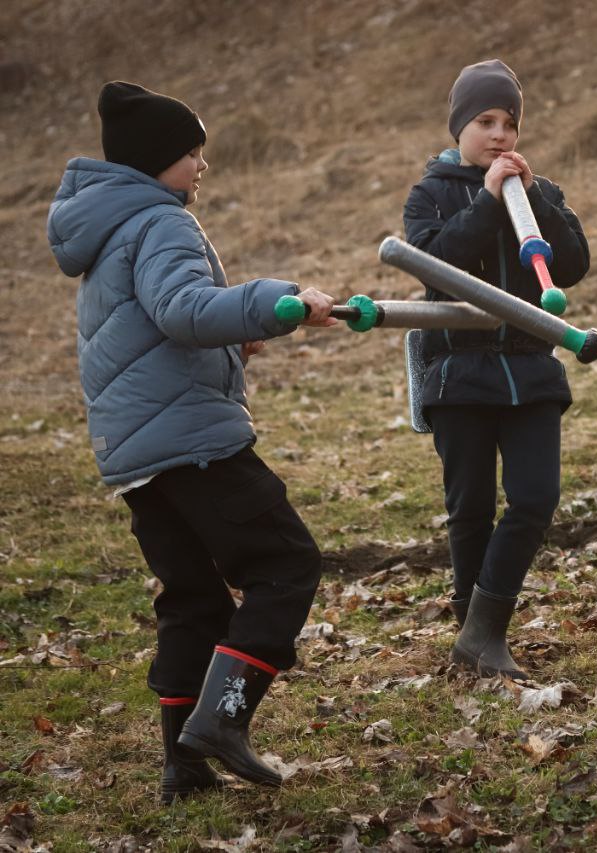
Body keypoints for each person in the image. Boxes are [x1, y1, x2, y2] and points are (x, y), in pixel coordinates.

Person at [47, 81, 338, 802]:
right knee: (286, 562)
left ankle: (183, 766)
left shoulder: (110, 229)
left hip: (141, 456)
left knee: (194, 599)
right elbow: (180, 310)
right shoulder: (161, 222)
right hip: (194, 443)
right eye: (190, 152)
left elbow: (149, 332)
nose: (201, 165)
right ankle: (222, 719)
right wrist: (278, 302)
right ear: (157, 160)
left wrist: (237, 340)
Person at [402, 60, 590, 680]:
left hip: (531, 371)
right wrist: (485, 201)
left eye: (510, 123)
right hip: (459, 376)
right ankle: (471, 631)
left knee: (536, 498)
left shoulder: (541, 192)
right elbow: (434, 263)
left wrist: (532, 197)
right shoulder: (432, 193)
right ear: (460, 126)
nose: (501, 135)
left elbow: (570, 265)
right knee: (471, 507)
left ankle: (486, 628)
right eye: (486, 121)